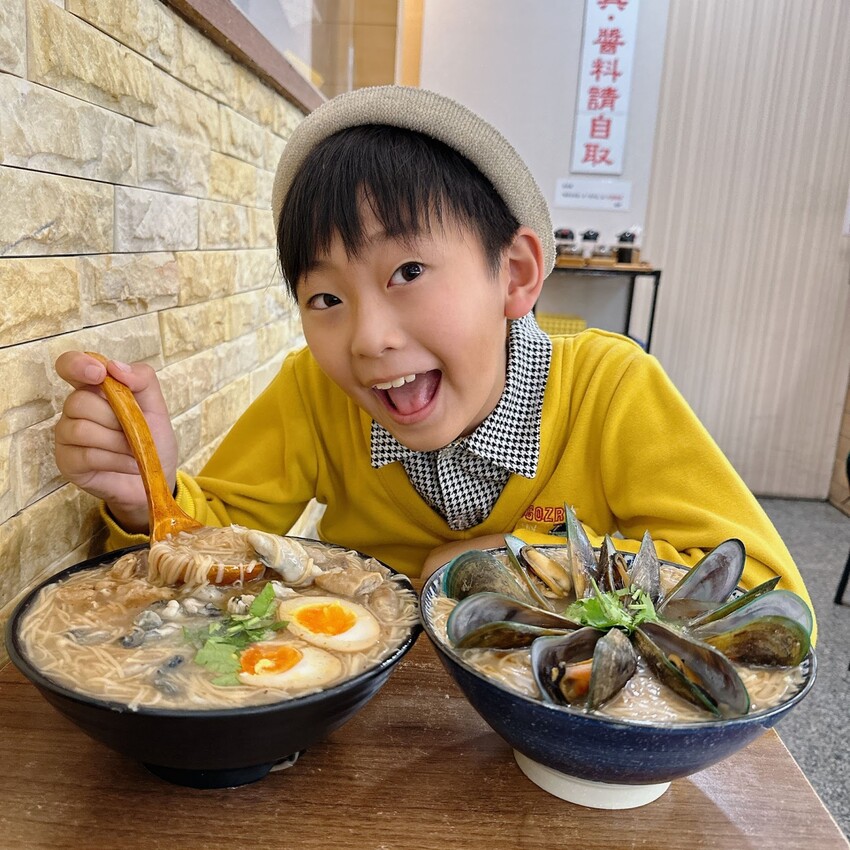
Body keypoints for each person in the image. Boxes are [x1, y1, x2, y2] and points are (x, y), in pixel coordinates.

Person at [54, 85, 812, 615]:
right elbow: (217, 535)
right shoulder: (313, 392)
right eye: (326, 299)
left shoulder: (611, 389)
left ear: (514, 275)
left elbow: (764, 591)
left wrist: (515, 565)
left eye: (408, 272)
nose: (369, 337)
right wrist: (144, 484)